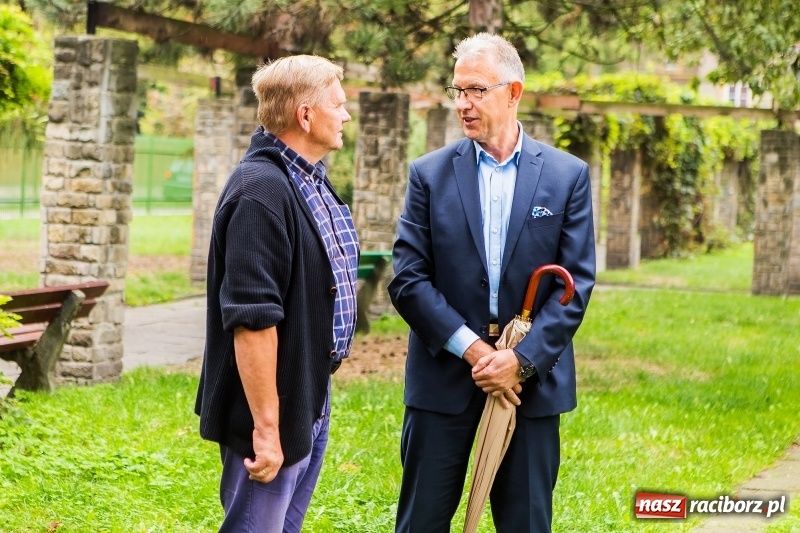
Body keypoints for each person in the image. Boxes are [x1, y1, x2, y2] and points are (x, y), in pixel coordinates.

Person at [388, 33, 596, 533]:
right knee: (421, 524)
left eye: (477, 90)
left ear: (513, 92)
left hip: (530, 389)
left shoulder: (567, 175)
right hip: (443, 382)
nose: (463, 103)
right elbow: (408, 278)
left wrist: (520, 361)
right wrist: (477, 352)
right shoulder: (429, 175)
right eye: (458, 90)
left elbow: (574, 286)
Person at [195, 55, 359, 533]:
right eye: (338, 105)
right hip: (269, 411)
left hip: (306, 394)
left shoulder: (307, 179)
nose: (347, 115)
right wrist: (266, 430)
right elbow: (253, 321)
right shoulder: (261, 192)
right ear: (305, 115)